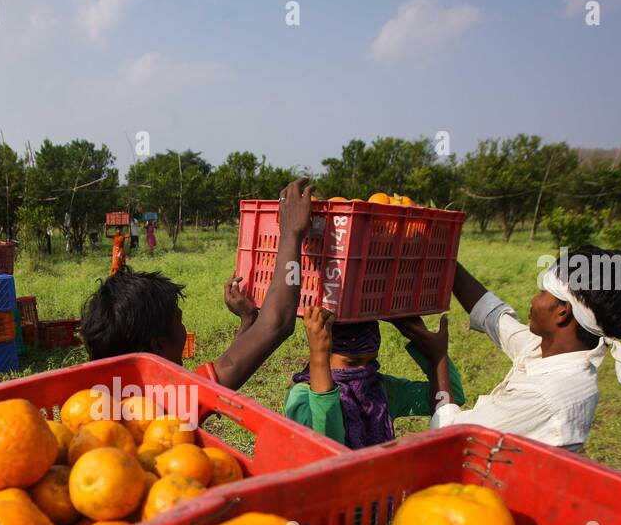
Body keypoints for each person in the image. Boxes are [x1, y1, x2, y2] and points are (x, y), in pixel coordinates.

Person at [80, 177, 316, 390]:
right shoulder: (169, 403)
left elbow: (230, 363)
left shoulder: (122, 394)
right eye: (179, 321)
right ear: (159, 345)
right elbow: (279, 324)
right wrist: (291, 234)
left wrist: (248, 320)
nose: (185, 330)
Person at [427, 245, 621, 452]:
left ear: (562, 312)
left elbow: (452, 434)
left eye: (542, 292)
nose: (534, 300)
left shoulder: (544, 394)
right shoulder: (554, 351)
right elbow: (494, 316)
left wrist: (437, 359)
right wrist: (446, 259)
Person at [281, 306, 465, 449]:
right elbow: (326, 444)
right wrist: (319, 355)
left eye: (371, 362)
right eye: (352, 363)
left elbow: (452, 396)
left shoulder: (378, 389)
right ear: (323, 357)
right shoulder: (301, 396)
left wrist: (436, 357)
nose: (364, 371)